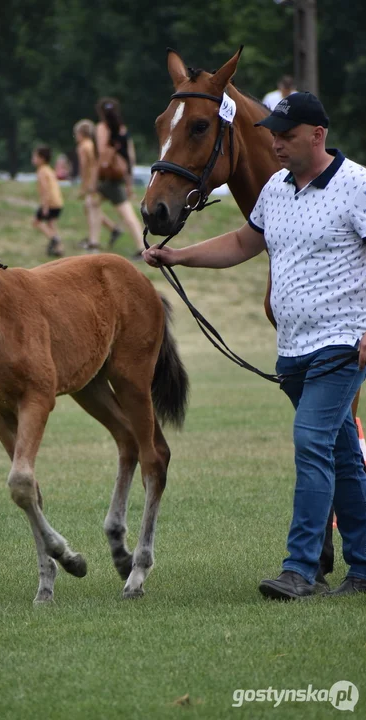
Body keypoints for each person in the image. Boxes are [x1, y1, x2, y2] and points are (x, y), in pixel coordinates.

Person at [143, 92, 366, 600]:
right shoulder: (275, 190)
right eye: (272, 134)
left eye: (285, 135)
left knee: (311, 443)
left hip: (341, 344)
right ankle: (365, 567)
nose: (275, 143)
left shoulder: (358, 185)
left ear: (317, 135)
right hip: (293, 351)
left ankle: (300, 569)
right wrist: (177, 255)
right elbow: (244, 243)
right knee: (343, 454)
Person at [95, 97, 145, 260]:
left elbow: (102, 151)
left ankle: (141, 247)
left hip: (109, 177)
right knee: (91, 204)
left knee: (127, 214)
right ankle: (110, 232)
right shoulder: (123, 130)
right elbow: (130, 156)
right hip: (119, 175)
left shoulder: (102, 128)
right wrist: (129, 180)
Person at [73, 119, 123, 252]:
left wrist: (83, 185)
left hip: (91, 181)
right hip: (97, 180)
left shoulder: (83, 146)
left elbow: (84, 167)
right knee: (90, 207)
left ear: (81, 133)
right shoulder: (91, 145)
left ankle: (94, 240)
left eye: (76, 134)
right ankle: (112, 229)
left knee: (90, 207)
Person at [31, 145, 65, 257]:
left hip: (50, 203)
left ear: (42, 159)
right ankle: (59, 249)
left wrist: (45, 206)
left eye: (35, 156)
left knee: (36, 221)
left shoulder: (41, 171)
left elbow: (45, 190)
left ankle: (54, 239)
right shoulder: (49, 169)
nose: (33, 158)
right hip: (58, 202)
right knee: (51, 224)